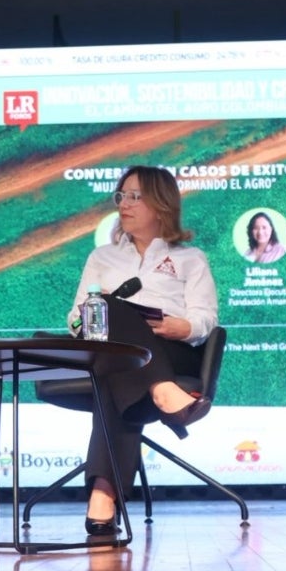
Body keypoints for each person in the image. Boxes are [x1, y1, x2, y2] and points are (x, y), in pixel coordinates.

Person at [68, 166, 219, 536]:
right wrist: (93, 321)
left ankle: (103, 495)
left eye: (135, 196)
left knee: (112, 371)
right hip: (116, 354)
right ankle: (162, 391)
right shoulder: (102, 258)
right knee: (106, 308)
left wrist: (178, 325)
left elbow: (205, 319)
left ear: (161, 205)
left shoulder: (190, 258)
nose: (124, 204)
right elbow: (75, 318)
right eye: (121, 196)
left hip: (171, 350)